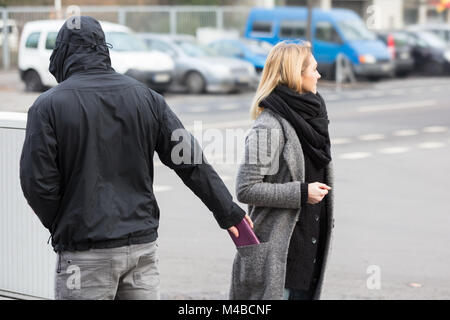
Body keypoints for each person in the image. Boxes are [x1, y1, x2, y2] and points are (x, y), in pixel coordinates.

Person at [19, 16, 251, 300]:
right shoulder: (147, 98)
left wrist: (66, 223)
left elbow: (37, 184)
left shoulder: (47, 106)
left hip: (84, 254)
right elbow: (189, 159)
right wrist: (227, 211)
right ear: (103, 48)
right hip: (140, 248)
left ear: (62, 52)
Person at [229, 41, 335, 300]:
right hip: (280, 255)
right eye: (314, 69)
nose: (319, 75)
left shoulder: (314, 120)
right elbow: (246, 188)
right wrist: (301, 193)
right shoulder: (270, 126)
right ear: (295, 74)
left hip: (309, 249)